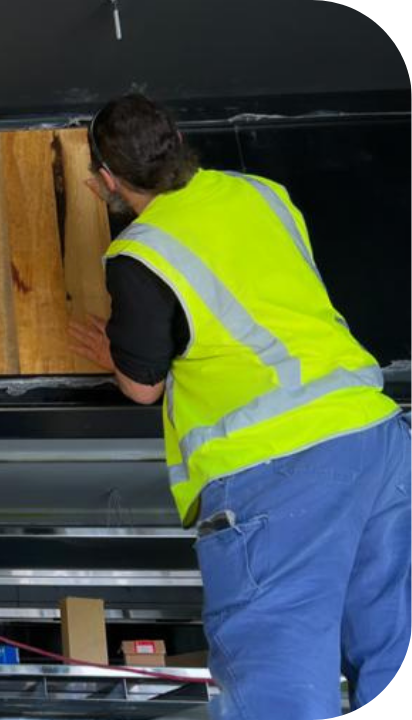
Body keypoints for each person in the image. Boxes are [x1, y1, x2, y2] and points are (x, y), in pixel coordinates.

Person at [68, 94, 410, 718]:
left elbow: (142, 385)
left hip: (279, 469)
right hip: (373, 434)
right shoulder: (261, 192)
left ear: (107, 182)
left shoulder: (141, 253)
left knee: (279, 681)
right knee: (390, 647)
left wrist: (111, 354)